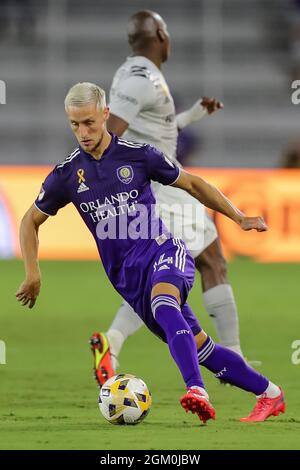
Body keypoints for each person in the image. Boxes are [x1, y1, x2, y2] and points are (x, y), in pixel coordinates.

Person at [16, 82, 285, 423]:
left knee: (165, 302)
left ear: (105, 114)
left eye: (89, 123)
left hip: (164, 251)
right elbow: (29, 221)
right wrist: (32, 272)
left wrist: (239, 217)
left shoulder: (138, 155)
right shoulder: (67, 175)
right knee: (202, 348)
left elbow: (194, 184)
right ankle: (270, 394)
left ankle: (196, 390)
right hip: (128, 281)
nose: (82, 132)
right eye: (74, 124)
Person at [90, 10, 252, 386]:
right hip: (161, 191)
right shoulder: (142, 79)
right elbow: (111, 136)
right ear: (161, 34)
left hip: (160, 186)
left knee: (193, 266)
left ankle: (112, 343)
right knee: (198, 267)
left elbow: (151, 131)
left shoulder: (133, 74)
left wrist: (191, 116)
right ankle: (232, 360)